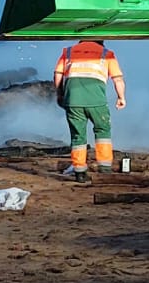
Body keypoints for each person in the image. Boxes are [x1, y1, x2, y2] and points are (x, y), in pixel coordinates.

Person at [52, 38, 125, 182]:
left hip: (73, 101)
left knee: (78, 135)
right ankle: (104, 170)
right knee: (102, 131)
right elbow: (118, 80)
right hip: (96, 101)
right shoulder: (107, 54)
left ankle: (80, 173)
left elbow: (57, 75)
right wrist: (121, 97)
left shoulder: (68, 52)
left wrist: (60, 94)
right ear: (101, 41)